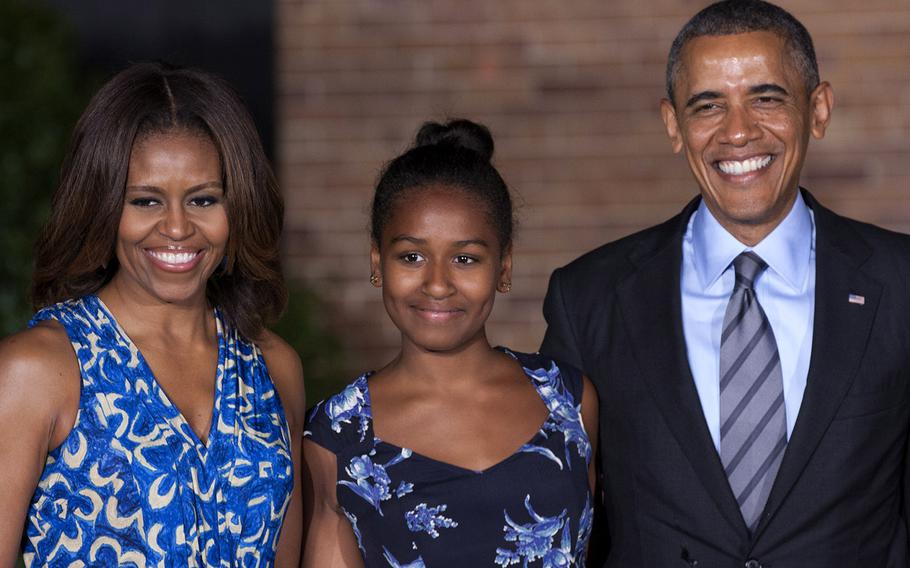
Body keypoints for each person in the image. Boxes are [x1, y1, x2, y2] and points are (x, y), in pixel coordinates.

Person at [540, 1, 910, 566]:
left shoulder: (901, 285)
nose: (738, 132)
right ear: (673, 125)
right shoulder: (588, 297)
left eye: (766, 98)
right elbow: (560, 525)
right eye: (708, 105)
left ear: (818, 109)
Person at [0, 62, 306, 566]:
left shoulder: (274, 369)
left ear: (239, 207)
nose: (178, 228)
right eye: (145, 201)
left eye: (204, 199)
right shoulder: (38, 370)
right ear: (103, 210)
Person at [302, 119, 598, 566]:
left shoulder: (568, 400)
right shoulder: (336, 437)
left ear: (503, 267)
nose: (437, 284)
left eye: (465, 258)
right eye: (412, 257)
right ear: (377, 262)